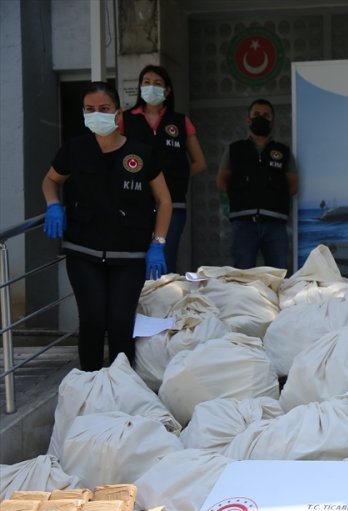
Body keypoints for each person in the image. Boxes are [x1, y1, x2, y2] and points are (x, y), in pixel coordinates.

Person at [42, 81, 172, 372]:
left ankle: (121, 386)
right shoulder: (75, 149)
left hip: (129, 255)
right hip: (83, 250)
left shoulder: (141, 153)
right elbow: (51, 180)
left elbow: (164, 201)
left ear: (118, 112)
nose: (96, 114)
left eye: (103, 109)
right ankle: (89, 384)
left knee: (119, 322)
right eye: (89, 109)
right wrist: (52, 204)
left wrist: (158, 243)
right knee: (92, 320)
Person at [122, 64, 207, 274]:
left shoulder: (179, 121)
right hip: (135, 204)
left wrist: (176, 178)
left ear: (167, 91)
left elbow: (199, 162)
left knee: (164, 262)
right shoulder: (125, 120)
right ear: (140, 87)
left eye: (158, 83)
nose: (151, 87)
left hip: (173, 205)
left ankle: (163, 305)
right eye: (146, 82)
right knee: (132, 262)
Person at [216, 99, 298, 270]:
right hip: (243, 224)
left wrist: (273, 199)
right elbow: (221, 180)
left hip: (275, 225)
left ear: (272, 122)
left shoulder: (283, 152)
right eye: (256, 115)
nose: (261, 118)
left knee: (278, 274)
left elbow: (293, 185)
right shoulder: (235, 149)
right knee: (243, 275)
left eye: (266, 115)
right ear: (248, 120)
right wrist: (240, 198)